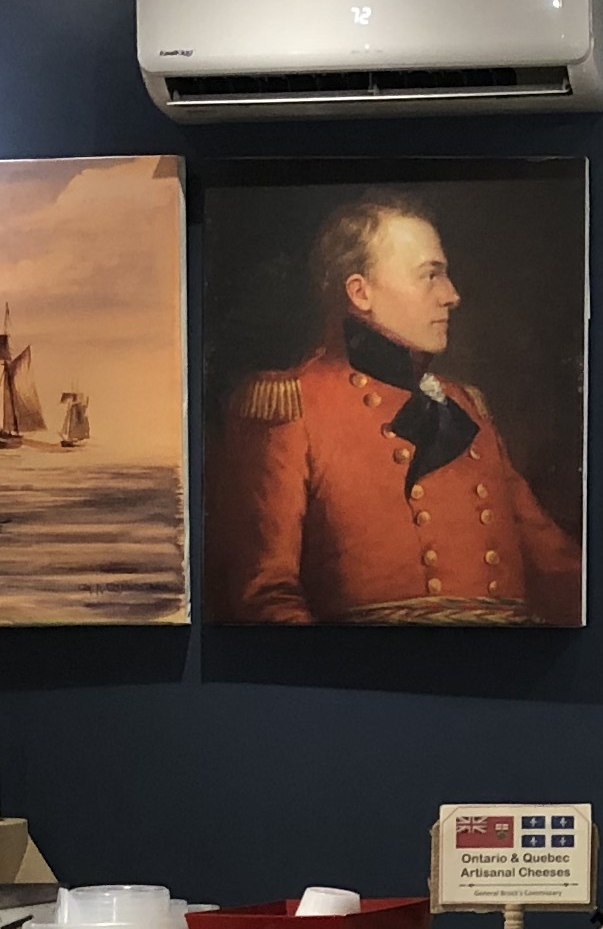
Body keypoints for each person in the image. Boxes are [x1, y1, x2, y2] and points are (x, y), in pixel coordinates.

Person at [211, 192, 583, 626]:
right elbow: (265, 595)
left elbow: (556, 568)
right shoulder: (292, 407)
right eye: (430, 276)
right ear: (361, 293)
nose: (452, 295)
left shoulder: (465, 406)